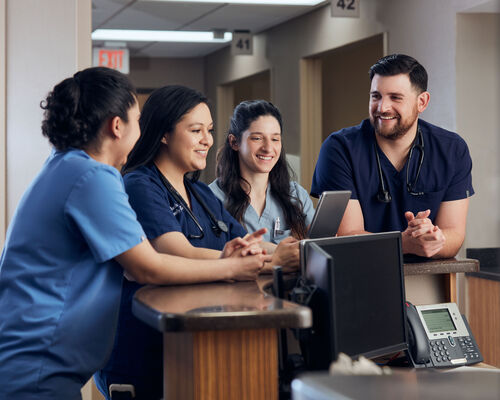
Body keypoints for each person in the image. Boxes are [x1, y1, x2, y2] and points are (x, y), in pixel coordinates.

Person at [0, 69, 268, 400]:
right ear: (117, 125)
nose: (143, 131)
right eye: (138, 120)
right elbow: (146, 267)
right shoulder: (93, 177)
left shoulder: (65, 166)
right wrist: (231, 267)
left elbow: (133, 263)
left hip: (32, 363)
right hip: (36, 368)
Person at [96, 85, 270, 399]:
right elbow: (176, 252)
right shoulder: (140, 184)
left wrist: (287, 253)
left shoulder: (201, 194)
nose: (208, 139)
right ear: (164, 133)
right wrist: (232, 263)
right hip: (145, 347)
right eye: (196, 130)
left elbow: (245, 241)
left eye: (210, 130)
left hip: (193, 343)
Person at [311, 54, 473, 258]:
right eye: (376, 96)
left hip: (430, 280)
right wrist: (403, 244)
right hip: (358, 277)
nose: (382, 107)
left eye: (395, 97)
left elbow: (454, 234)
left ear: (422, 102)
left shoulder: (452, 150)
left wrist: (432, 238)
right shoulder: (339, 149)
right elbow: (348, 237)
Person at [210, 100, 315, 270]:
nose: (268, 148)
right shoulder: (211, 198)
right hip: (237, 292)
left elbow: (318, 246)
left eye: (275, 139)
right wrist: (280, 253)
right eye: (257, 138)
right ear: (234, 142)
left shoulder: (296, 194)